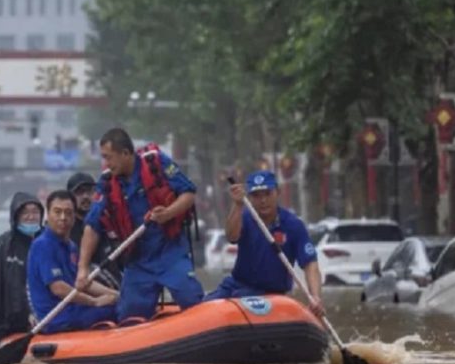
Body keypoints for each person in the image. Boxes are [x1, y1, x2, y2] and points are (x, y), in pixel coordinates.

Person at [76, 128, 204, 323]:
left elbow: (188, 193)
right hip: (138, 261)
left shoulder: (156, 162)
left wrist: (168, 213)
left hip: (171, 252)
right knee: (130, 316)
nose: (106, 164)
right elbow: (92, 226)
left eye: (108, 157)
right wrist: (83, 268)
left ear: (126, 154)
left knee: (191, 299)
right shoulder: (107, 183)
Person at [204, 171, 325, 318]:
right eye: (256, 196)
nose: (263, 200)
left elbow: (310, 265)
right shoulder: (244, 217)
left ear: (277, 192)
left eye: (267, 194)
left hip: (271, 295)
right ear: (249, 197)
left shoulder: (293, 225)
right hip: (237, 284)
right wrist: (237, 204)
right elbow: (232, 236)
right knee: (202, 310)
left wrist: (315, 297)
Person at [27, 190, 118, 333]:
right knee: (116, 310)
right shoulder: (43, 245)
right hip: (56, 318)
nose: (63, 218)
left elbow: (83, 282)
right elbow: (59, 288)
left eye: (68, 213)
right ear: (48, 214)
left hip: (74, 310)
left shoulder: (71, 246)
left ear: (74, 217)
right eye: (57, 212)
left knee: (120, 302)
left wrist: (115, 294)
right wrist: (95, 302)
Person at [0, 192, 44, 348]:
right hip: (11, 321)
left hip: (43, 315)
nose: (31, 217)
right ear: (16, 216)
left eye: (35, 212)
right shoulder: (5, 244)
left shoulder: (46, 241)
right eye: (25, 213)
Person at [67, 172, 122, 289]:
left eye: (90, 191)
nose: (86, 196)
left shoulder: (108, 223)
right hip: (88, 293)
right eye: (79, 192)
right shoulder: (66, 230)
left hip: (118, 289)